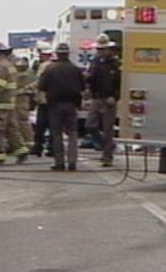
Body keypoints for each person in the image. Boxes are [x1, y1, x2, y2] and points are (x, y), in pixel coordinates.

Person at [37, 43, 85, 171]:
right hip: (71, 105)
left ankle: (59, 163)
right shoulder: (75, 69)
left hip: (54, 106)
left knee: (57, 134)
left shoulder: (50, 69)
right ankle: (72, 162)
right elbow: (83, 87)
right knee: (73, 134)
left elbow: (41, 86)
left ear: (57, 54)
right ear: (68, 54)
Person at [0, 42, 29, 164]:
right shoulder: (8, 65)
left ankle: (0, 155)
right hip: (10, 103)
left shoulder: (0, 66)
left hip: (1, 103)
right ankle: (21, 150)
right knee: (11, 129)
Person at [86, 33, 121, 167]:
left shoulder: (116, 64)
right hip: (97, 97)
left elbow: (120, 83)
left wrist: (115, 96)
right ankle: (107, 146)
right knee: (90, 125)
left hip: (109, 99)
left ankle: (107, 156)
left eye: (102, 49)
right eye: (98, 49)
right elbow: (92, 78)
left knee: (108, 129)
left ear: (108, 49)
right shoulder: (95, 62)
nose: (100, 52)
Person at [31, 43, 54, 156]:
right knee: (52, 125)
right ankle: (52, 147)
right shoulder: (54, 65)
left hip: (44, 100)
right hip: (53, 100)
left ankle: (38, 147)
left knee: (41, 125)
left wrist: (28, 88)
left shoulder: (43, 66)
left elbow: (39, 82)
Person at [14, 56, 36, 152]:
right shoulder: (31, 75)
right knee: (21, 122)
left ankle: (27, 144)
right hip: (21, 101)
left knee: (22, 122)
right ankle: (25, 143)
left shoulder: (22, 75)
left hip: (21, 101)